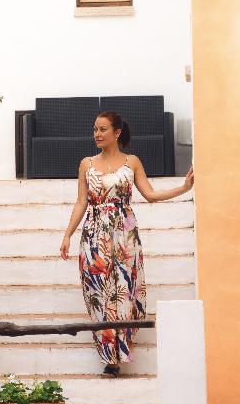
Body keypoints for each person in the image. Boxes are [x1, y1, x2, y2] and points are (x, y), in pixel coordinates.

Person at [59, 110, 194, 376]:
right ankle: (109, 355)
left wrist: (183, 188)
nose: (97, 134)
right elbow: (81, 202)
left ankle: (120, 350)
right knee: (98, 291)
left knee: (124, 288)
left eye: (102, 129)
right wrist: (67, 234)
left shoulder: (132, 162)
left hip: (125, 236)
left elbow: (150, 195)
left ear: (117, 132)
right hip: (94, 235)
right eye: (95, 129)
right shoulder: (86, 164)